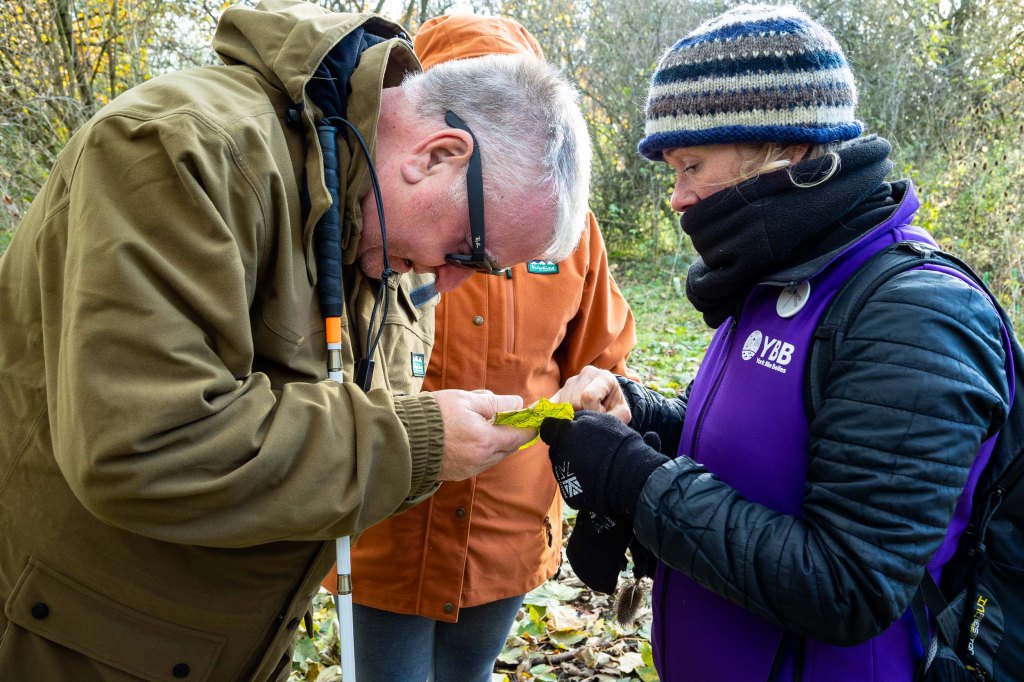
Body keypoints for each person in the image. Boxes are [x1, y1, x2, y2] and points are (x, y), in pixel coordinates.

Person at [0, 0, 591, 678]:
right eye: (466, 250)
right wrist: (415, 441)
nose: (449, 284)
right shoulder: (181, 148)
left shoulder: (383, 239)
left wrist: (432, 444)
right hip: (72, 642)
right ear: (438, 156)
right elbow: (144, 445)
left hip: (232, 646)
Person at [538, 5, 1014, 681]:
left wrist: (634, 478)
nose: (677, 197)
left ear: (786, 153)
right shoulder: (773, 274)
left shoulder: (913, 313)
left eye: (692, 165)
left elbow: (848, 583)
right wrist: (640, 419)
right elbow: (765, 462)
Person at [337, 15, 637, 682]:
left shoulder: (556, 224)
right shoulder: (382, 201)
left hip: (506, 528)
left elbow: (602, 357)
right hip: (387, 527)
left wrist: (601, 393)